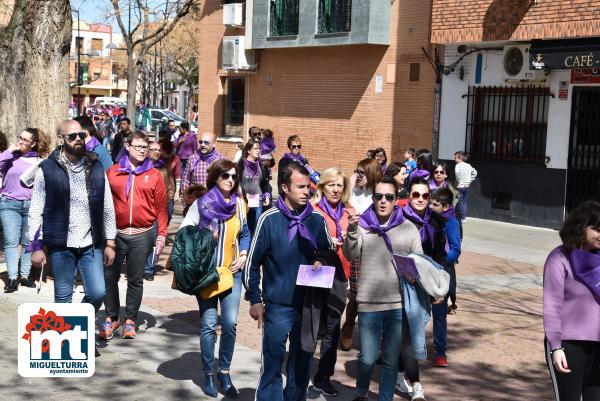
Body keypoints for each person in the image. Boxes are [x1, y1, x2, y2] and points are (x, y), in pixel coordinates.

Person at [243, 162, 333, 401]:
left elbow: (329, 252)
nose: (307, 192)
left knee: (301, 368)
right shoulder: (269, 220)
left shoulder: (316, 220)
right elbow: (252, 263)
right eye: (300, 187)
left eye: (309, 187)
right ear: (284, 187)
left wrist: (322, 260)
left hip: (308, 307)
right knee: (272, 365)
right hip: (278, 306)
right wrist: (255, 299)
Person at [343, 176, 423, 401]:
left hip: (397, 304)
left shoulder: (408, 228)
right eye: (378, 196)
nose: (383, 201)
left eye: (389, 197)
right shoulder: (363, 224)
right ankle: (361, 392)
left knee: (390, 358)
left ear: (396, 200)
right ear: (373, 198)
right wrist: (351, 230)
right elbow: (350, 254)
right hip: (368, 302)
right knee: (368, 358)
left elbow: (419, 261)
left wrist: (414, 273)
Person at [28, 120, 116, 314]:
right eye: (72, 136)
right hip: (60, 244)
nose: (78, 140)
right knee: (63, 297)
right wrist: (36, 246)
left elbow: (107, 206)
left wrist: (110, 243)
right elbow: (35, 210)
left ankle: (77, 327)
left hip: (91, 243)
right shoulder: (47, 168)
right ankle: (66, 340)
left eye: (81, 135)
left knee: (97, 293)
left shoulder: (96, 166)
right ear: (62, 138)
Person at [179, 159, 250, 398]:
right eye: (226, 176)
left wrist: (243, 253)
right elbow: (183, 234)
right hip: (207, 274)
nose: (231, 180)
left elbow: (245, 233)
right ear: (215, 178)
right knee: (209, 325)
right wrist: (203, 235)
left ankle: (225, 373)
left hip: (232, 273)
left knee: (229, 324)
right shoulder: (202, 205)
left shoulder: (239, 205)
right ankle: (209, 374)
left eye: (234, 177)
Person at [102, 131, 168, 340]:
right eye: (137, 146)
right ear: (127, 146)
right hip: (115, 234)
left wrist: (162, 235)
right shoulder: (113, 173)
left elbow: (161, 208)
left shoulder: (154, 175)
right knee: (109, 278)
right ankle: (112, 317)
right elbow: (103, 205)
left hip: (143, 234)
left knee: (135, 279)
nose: (142, 151)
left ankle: (130, 319)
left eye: (144, 147)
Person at [544, 200, 600, 401]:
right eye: (597, 229)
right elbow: (551, 305)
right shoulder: (559, 258)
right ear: (581, 227)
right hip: (568, 345)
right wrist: (556, 346)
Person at [399, 177, 447, 399]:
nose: (420, 199)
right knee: (407, 333)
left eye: (425, 195)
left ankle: (401, 373)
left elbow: (439, 257)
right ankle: (415, 382)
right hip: (398, 282)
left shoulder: (437, 221)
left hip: (423, 285)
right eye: (416, 195)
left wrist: (439, 289)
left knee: (411, 330)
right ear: (409, 195)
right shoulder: (397, 218)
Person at [310, 167, 356, 396]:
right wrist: (327, 243)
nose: (336, 189)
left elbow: (358, 246)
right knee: (311, 324)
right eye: (331, 185)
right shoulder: (313, 210)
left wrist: (353, 236)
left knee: (332, 326)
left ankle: (323, 375)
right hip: (317, 271)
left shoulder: (350, 212)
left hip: (340, 274)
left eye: (339, 185)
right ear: (322, 187)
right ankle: (299, 365)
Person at [340, 158, 382, 351]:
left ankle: (370, 335)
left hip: (375, 250)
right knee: (356, 295)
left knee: (375, 295)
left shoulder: (379, 196)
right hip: (356, 248)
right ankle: (348, 326)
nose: (358, 175)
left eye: (362, 173)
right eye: (356, 171)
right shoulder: (351, 193)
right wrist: (349, 182)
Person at [0, 128, 48, 292]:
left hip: (31, 205)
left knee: (28, 241)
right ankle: (12, 278)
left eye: (25, 140)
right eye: (19, 137)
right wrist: (9, 151)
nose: (20, 141)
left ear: (33, 143)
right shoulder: (10, 156)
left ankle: (25, 276)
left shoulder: (39, 160)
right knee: (11, 241)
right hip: (9, 204)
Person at [429, 187, 461, 359]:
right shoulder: (426, 218)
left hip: (442, 272)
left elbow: (456, 249)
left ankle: (440, 351)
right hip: (425, 270)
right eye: (430, 203)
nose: (431, 206)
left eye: (435, 204)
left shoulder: (451, 223)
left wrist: (441, 261)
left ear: (446, 207)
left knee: (439, 314)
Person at [143, 140, 177, 281]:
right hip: (145, 209)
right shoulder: (140, 167)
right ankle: (144, 267)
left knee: (155, 238)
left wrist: (168, 202)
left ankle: (148, 268)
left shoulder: (163, 168)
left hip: (160, 208)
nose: (157, 152)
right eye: (153, 149)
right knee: (144, 240)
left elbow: (170, 186)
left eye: (158, 149)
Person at [238, 139, 270, 234]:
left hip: (258, 201)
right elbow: (237, 182)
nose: (258, 151)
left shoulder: (261, 165)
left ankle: (253, 247)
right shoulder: (240, 164)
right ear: (248, 150)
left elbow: (265, 183)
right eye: (255, 148)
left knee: (256, 228)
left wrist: (266, 195)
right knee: (244, 228)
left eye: (259, 149)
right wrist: (243, 194)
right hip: (244, 200)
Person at [181, 131, 225, 197]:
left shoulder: (221, 159)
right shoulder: (192, 159)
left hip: (215, 201)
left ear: (214, 144)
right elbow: (185, 180)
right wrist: (185, 200)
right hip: (195, 201)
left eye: (206, 142)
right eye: (201, 142)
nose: (202, 145)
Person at [454, 151, 477, 223]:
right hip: (467, 185)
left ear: (460, 158)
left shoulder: (457, 166)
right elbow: (475, 172)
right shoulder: (468, 165)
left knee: (459, 201)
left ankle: (460, 217)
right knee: (464, 201)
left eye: (455, 158)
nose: (454, 159)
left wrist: (460, 181)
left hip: (460, 185)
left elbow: (457, 175)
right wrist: (470, 180)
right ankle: (463, 218)